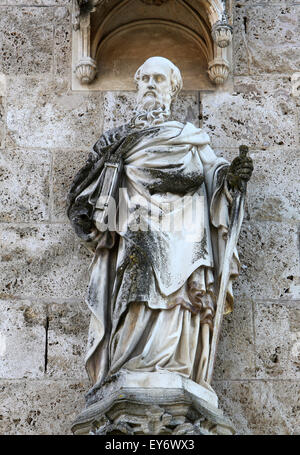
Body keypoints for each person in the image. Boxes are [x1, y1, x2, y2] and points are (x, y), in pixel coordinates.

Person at [67, 56, 253, 390]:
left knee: (181, 299)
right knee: (135, 289)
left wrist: (231, 180)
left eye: (159, 79)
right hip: (136, 230)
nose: (151, 85)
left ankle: (177, 367)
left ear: (172, 89)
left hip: (186, 236)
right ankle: (129, 365)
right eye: (146, 79)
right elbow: (87, 196)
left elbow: (215, 175)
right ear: (138, 85)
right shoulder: (116, 142)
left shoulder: (190, 138)